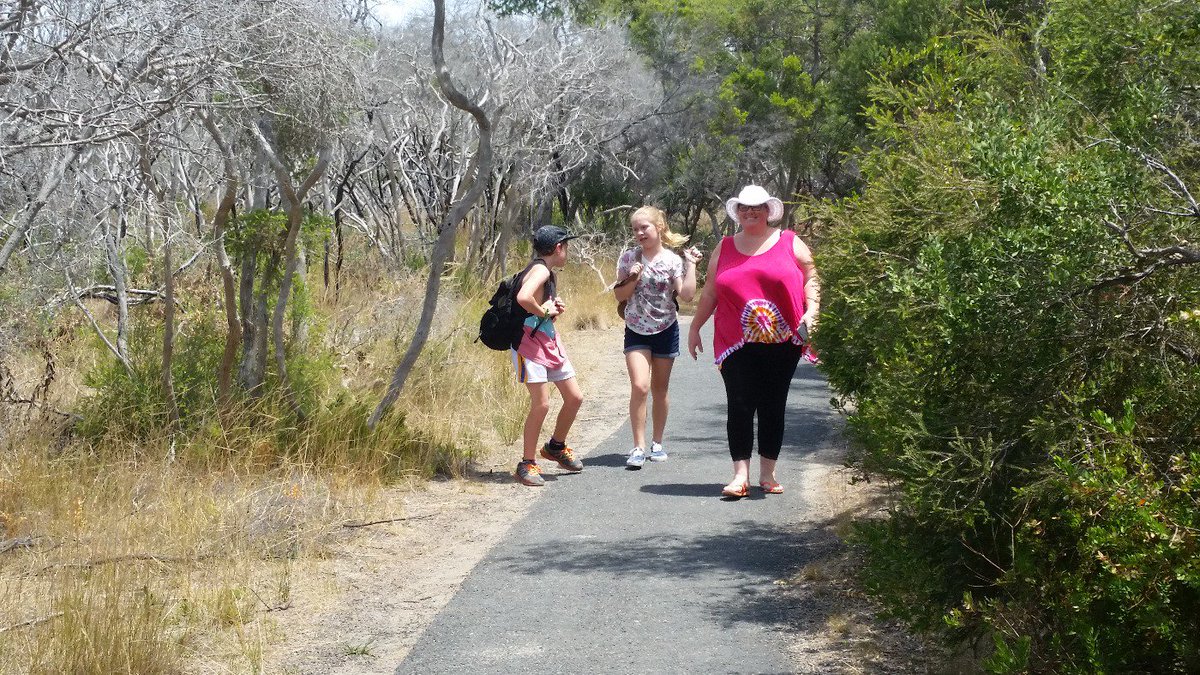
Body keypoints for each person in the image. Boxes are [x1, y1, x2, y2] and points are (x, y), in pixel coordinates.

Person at [687, 185, 820, 498]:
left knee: (773, 404)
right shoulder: (725, 246)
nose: (750, 212)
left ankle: (768, 473)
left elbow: (812, 275)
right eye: (744, 207)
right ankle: (740, 476)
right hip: (737, 339)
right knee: (741, 404)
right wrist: (694, 328)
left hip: (783, 338)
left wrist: (813, 309)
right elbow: (710, 293)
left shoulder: (789, 241)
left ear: (767, 210)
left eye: (756, 207)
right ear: (737, 211)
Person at [613, 206, 702, 468]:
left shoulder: (673, 260)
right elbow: (619, 296)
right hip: (636, 328)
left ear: (659, 228)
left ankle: (657, 443)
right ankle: (638, 447)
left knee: (659, 389)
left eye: (644, 228)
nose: (640, 233)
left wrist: (692, 266)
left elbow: (686, 296)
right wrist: (634, 277)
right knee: (640, 386)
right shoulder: (629, 258)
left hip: (666, 329)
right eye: (635, 229)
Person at [512, 225, 586, 486]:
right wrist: (543, 312)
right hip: (528, 345)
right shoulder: (542, 269)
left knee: (574, 397)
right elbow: (523, 297)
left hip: (548, 341)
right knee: (541, 404)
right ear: (558, 248)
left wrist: (550, 309)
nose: (567, 252)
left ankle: (555, 446)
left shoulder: (544, 270)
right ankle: (527, 463)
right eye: (567, 247)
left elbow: (533, 300)